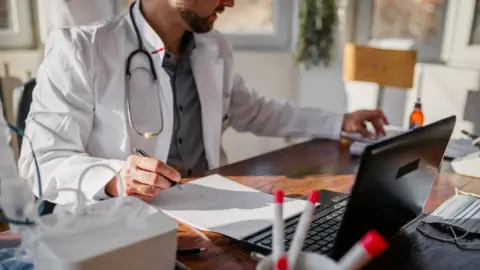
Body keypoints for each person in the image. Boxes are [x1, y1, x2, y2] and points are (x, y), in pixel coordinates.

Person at [18, 0, 388, 206]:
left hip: (208, 208)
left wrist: (339, 120)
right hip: (119, 223)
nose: (230, 1)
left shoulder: (213, 47)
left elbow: (256, 111)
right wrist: (114, 179)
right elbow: (40, 163)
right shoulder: (82, 49)